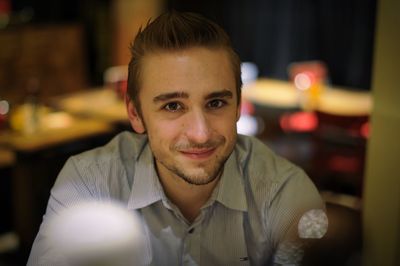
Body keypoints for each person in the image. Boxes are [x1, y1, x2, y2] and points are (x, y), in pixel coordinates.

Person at [28, 11, 327, 265]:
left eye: (216, 103)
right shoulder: (89, 183)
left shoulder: (285, 194)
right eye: (172, 106)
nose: (200, 133)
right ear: (135, 114)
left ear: (238, 105)